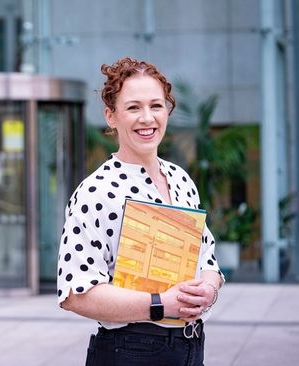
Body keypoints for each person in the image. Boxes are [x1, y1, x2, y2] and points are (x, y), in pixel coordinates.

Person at [57, 57, 224, 365]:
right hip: (131, 350)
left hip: (189, 345)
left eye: (156, 106)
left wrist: (209, 289)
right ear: (111, 116)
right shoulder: (97, 191)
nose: (147, 118)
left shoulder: (181, 179)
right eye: (133, 107)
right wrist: (162, 305)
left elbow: (207, 258)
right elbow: (75, 294)